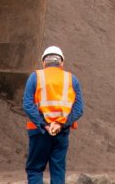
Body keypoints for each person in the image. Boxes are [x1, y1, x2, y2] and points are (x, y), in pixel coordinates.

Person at [23, 45, 84, 184]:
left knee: (35, 170)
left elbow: (27, 105)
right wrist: (60, 124)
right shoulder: (71, 79)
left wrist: (44, 125)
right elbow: (79, 109)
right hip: (61, 133)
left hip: (39, 132)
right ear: (61, 63)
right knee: (58, 171)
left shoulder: (35, 77)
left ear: (44, 62)